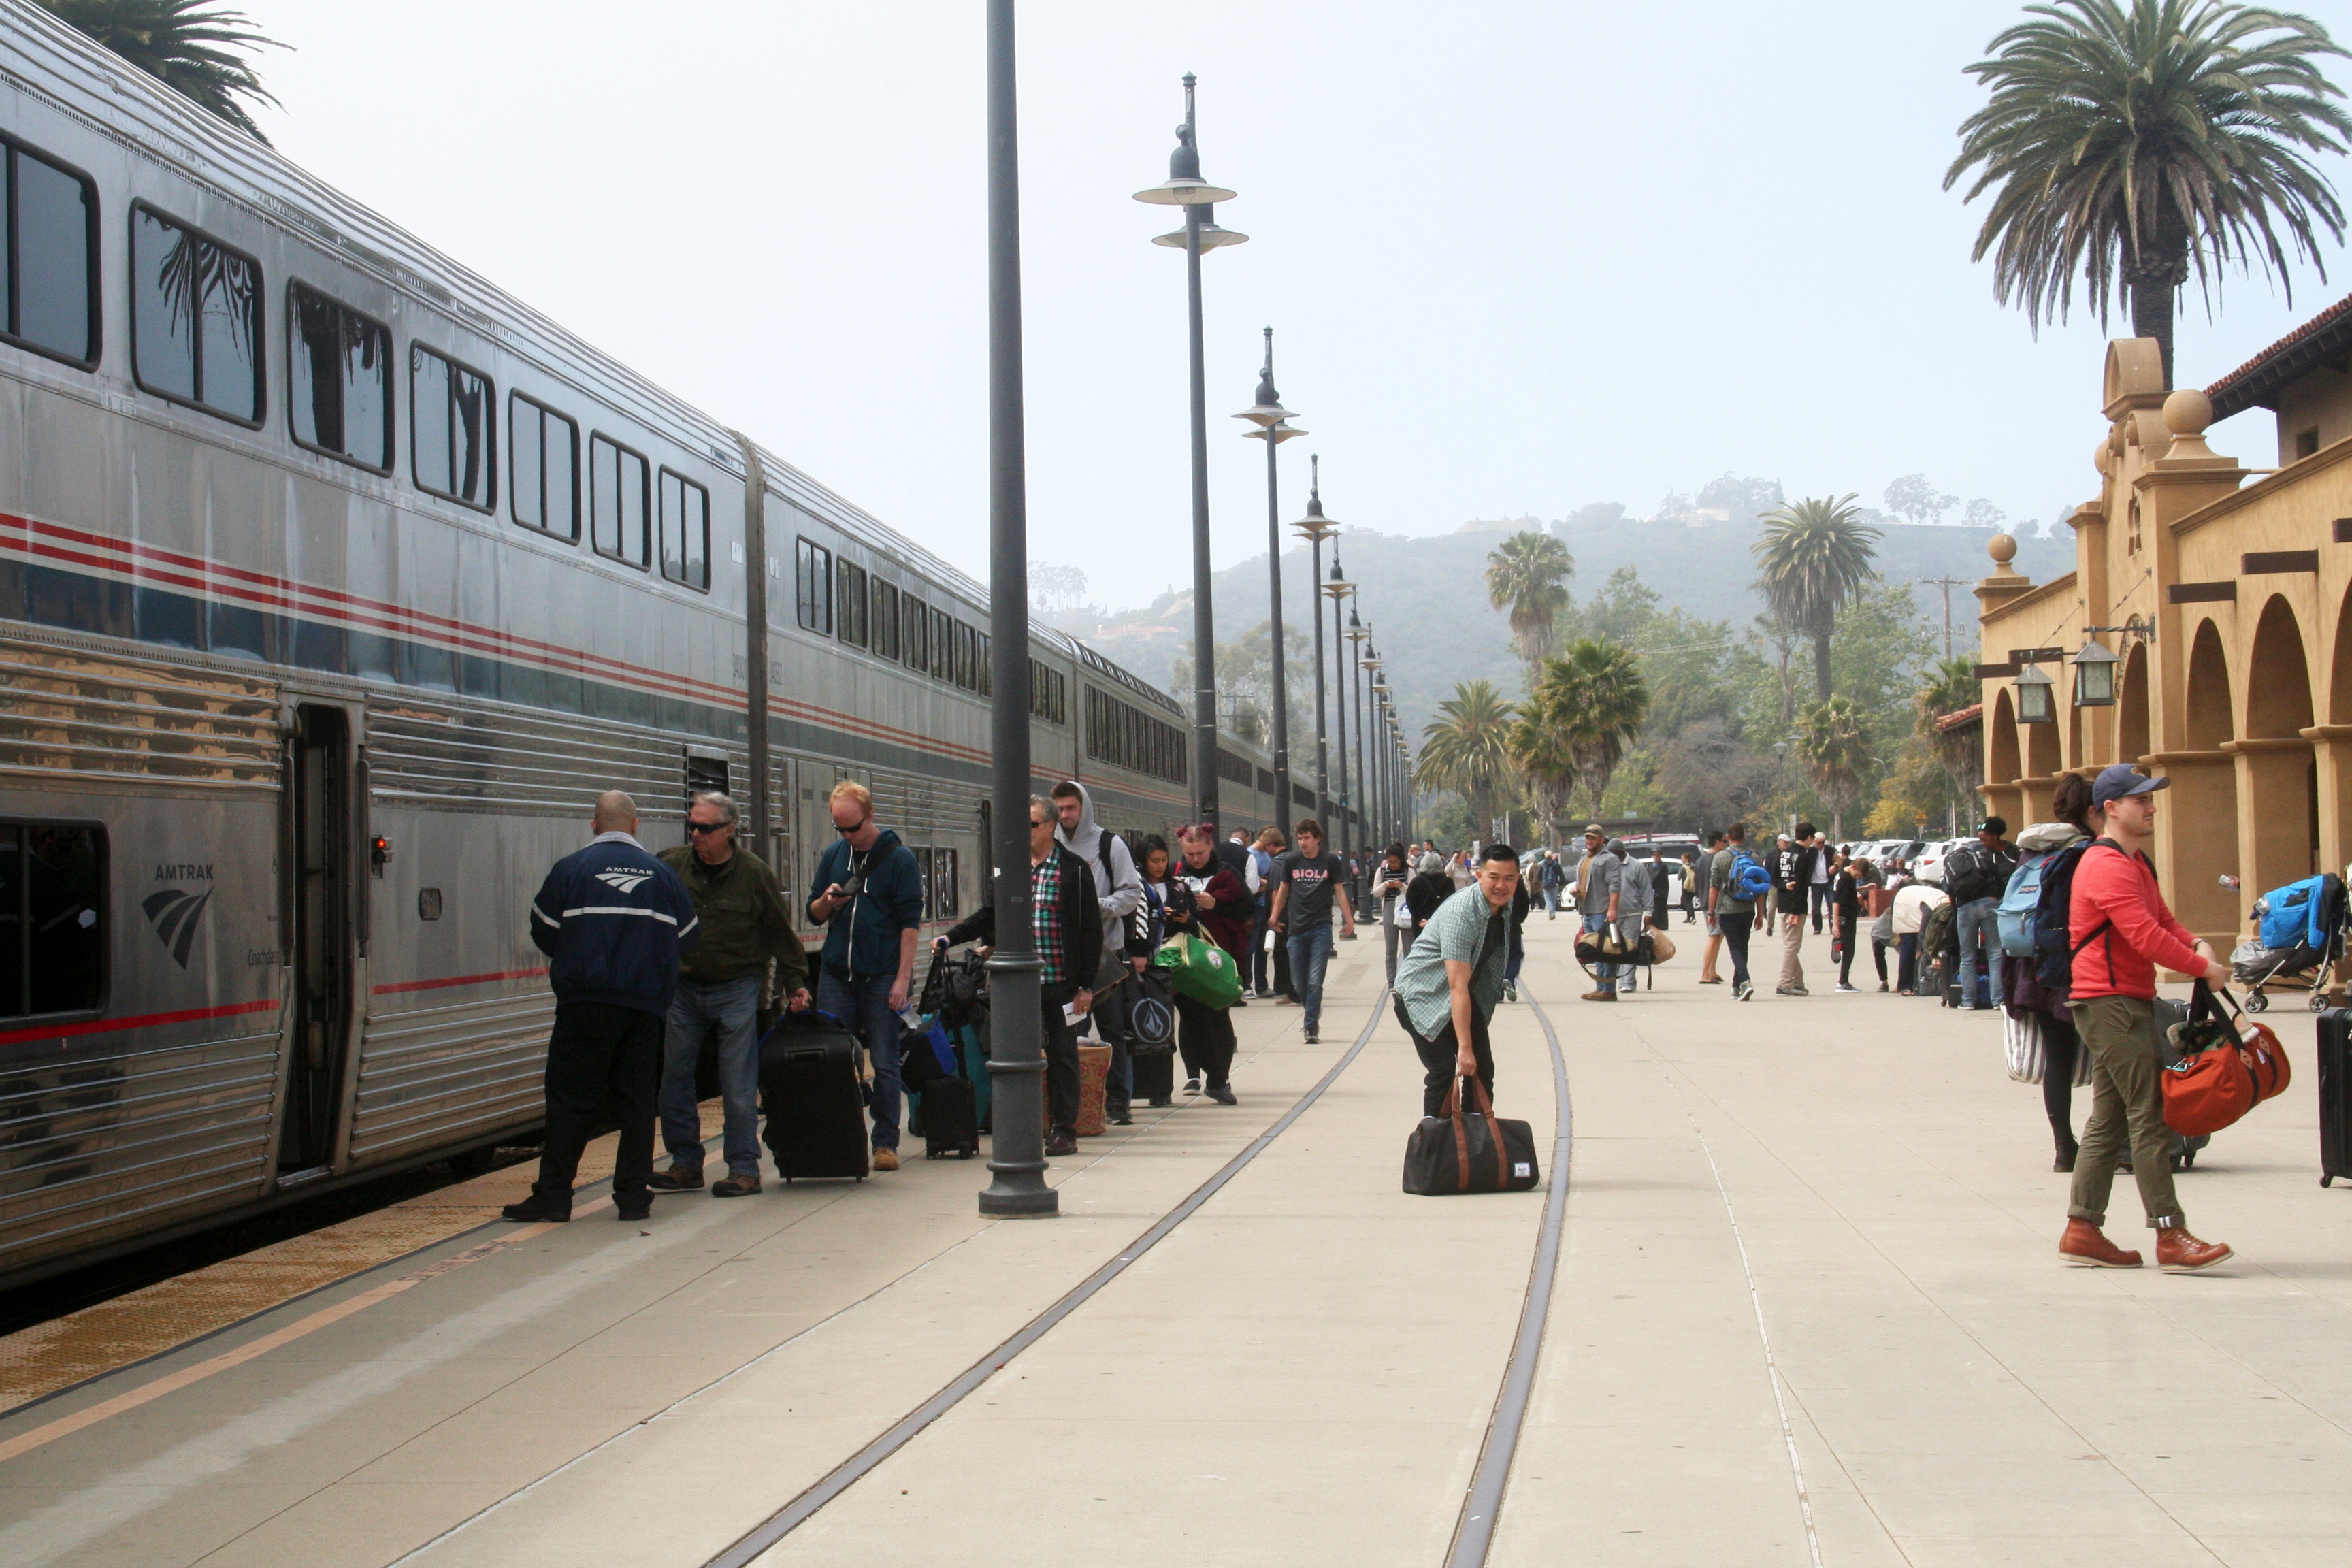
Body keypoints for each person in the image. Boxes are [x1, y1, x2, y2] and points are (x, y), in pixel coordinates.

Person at [2059, 765, 2235, 1272]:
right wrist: (2203, 967)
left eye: (2152, 799)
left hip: (2120, 998)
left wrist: (2196, 942)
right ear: (2111, 808)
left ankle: (2083, 1229)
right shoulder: (2107, 864)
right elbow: (2144, 936)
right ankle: (2169, 1233)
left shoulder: (2134, 862)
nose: (2151, 807)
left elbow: (2162, 921)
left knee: (2111, 1117)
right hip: (2109, 1001)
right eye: (2141, 800)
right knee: (2150, 1113)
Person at [506, 790, 699, 1224]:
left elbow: (543, 931)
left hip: (584, 1005)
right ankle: (632, 1198)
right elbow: (687, 936)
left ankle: (554, 1197)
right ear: (635, 826)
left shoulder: (570, 870)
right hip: (643, 1008)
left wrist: (579, 956)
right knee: (635, 1103)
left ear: (594, 825)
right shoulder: (663, 877)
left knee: (570, 1101)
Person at [649, 791, 810, 1198]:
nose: (697, 834)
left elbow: (779, 932)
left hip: (737, 985)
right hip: (684, 987)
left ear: (729, 830)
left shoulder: (755, 874)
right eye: (693, 826)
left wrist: (797, 984)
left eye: (705, 828)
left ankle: (743, 1167)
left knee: (737, 1083)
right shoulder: (671, 866)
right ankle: (686, 1163)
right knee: (674, 1080)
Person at [938, 797, 1101, 1156]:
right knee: (1014, 1055)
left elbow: (1090, 931)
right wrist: (951, 937)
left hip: (1060, 981)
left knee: (1062, 1054)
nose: (1024, 832)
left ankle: (1063, 1128)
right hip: (1016, 986)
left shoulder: (1073, 870)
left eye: (1032, 825)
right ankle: (1019, 1122)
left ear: (1051, 826)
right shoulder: (1009, 869)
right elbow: (988, 916)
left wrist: (1085, 985)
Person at [806, 780, 925, 1169]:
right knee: (836, 1057)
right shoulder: (833, 856)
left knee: (886, 1060)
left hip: (881, 976)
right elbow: (814, 913)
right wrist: (827, 900)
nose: (847, 836)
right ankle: (841, 1135)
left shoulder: (900, 860)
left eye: (853, 828)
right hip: (838, 974)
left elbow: (910, 924)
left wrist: (902, 979)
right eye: (839, 828)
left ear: (870, 815)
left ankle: (885, 1141)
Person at [2008, 777, 2097, 1171]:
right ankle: (2113, 1142)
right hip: (2079, 969)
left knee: (2058, 1059)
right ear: (2094, 809)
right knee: (2112, 1059)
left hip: (2034, 968)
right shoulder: (2090, 852)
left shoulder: (2032, 851)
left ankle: (2065, 1146)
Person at [1392, 843, 1521, 1116]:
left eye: (1509, 878)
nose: (1501, 886)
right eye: (1494, 877)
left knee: (1482, 1071)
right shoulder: (1461, 913)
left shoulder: (1504, 908)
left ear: (1518, 878)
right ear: (1478, 874)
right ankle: (1436, 1146)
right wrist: (1464, 1048)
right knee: (1443, 1071)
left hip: (1460, 996)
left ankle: (1474, 1141)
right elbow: (1457, 985)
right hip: (1421, 995)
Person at [1053, 781, 1145, 1123]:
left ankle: (1119, 1101)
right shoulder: (1052, 847)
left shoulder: (1110, 844)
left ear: (1084, 808)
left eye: (1071, 808)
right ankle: (1076, 1103)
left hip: (1107, 955)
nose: (1066, 815)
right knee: (1070, 1033)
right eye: (1060, 809)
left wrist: (1097, 907)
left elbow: (1132, 893)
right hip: (1068, 958)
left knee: (1112, 1031)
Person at [1168, 825, 1250, 1100]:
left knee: (1218, 1015)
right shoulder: (1176, 872)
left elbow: (1247, 908)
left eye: (1200, 853)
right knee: (1189, 1016)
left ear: (1210, 846)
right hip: (1184, 957)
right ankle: (1195, 1075)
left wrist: (1216, 905)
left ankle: (1219, 1077)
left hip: (1217, 955)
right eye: (1190, 854)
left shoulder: (1226, 872)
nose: (1195, 859)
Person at [1269, 819, 1356, 1045]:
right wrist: (1274, 917)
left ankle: (1310, 1027)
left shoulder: (1329, 861)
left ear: (1317, 838)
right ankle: (1313, 1011)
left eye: (1307, 838)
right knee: (1299, 984)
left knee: (1315, 981)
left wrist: (1349, 921)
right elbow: (1284, 890)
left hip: (1321, 928)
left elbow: (1339, 890)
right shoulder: (1291, 861)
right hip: (1296, 930)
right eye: (1299, 838)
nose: (1303, 843)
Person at [1943, 815, 2020, 1011]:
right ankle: (1998, 1000)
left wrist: (1956, 912)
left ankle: (1968, 1000)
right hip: (1991, 905)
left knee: (1967, 955)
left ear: (1996, 836)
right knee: (1995, 953)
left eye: (1984, 838)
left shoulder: (2011, 853)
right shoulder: (1983, 854)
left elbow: (1950, 888)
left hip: (1966, 907)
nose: (1981, 842)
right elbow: (1999, 881)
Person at [1708, 823, 1758, 1001]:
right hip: (1747, 908)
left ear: (1728, 837)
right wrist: (1761, 914)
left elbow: (1714, 887)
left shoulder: (1720, 857)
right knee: (1743, 946)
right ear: (1744, 836)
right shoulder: (1754, 857)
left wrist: (1711, 913)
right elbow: (1760, 888)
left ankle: (1745, 981)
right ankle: (1736, 986)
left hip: (1727, 909)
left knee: (1735, 947)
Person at [1574, 824, 1622, 1002]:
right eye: (1587, 838)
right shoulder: (1585, 858)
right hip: (1587, 910)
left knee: (1606, 952)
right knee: (1595, 953)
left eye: (1593, 838)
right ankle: (1600, 987)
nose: (1589, 841)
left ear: (1602, 840)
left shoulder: (1610, 859)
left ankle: (1609, 989)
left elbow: (1615, 885)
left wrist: (1612, 908)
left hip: (1601, 911)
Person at [1775, 822, 1816, 996]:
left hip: (1783, 903)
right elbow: (1801, 885)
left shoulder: (1784, 854)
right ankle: (1784, 983)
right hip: (1795, 907)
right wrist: (1795, 912)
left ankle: (1797, 981)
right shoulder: (1803, 857)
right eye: (1812, 839)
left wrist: (1784, 886)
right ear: (1809, 838)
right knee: (1792, 946)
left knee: (1790, 945)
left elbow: (1775, 879)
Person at [1891, 871, 1948, 994]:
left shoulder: (1946, 902)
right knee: (1908, 944)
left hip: (1915, 900)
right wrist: (1933, 956)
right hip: (1905, 904)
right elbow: (1923, 936)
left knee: (1923, 947)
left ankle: (1918, 984)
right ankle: (1905, 986)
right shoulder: (1930, 909)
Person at [1252, 828, 1287, 1000]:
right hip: (1285, 911)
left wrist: (1273, 916)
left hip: (1276, 912)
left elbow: (1276, 891)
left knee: (1276, 950)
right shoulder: (1290, 858)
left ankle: (1280, 987)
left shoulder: (1276, 862)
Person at [1373, 843, 1414, 983]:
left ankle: (1409, 979)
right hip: (1389, 908)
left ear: (1401, 860)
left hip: (1406, 909)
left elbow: (1414, 891)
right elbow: (1376, 892)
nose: (1393, 864)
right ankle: (1392, 980)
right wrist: (1385, 885)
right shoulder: (1382, 871)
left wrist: (1401, 886)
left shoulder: (1409, 871)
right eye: (1390, 862)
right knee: (1391, 948)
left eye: (1396, 862)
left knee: (1409, 947)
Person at [1831, 846, 1864, 994]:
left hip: (1848, 917)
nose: (1858, 878)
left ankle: (1838, 945)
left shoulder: (1843, 875)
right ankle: (1842, 982)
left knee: (1847, 945)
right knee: (1849, 948)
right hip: (1845, 918)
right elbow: (1836, 901)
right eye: (1857, 875)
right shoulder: (1845, 879)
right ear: (1853, 867)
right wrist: (1836, 924)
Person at [1697, 830, 1727, 984]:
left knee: (1718, 937)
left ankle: (1712, 970)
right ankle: (1705, 974)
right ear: (1718, 842)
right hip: (1714, 904)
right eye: (1724, 841)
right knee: (1713, 937)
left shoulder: (1700, 860)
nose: (1725, 844)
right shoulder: (1718, 859)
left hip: (1704, 901)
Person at [1405, 851, 1453, 936]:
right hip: (1441, 923)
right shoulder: (1447, 882)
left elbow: (1411, 903)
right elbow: (1450, 903)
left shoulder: (1416, 882)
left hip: (1421, 923)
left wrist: (1420, 919)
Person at [1808, 827, 1833, 934]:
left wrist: (1835, 866)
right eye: (1818, 843)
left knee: (1832, 904)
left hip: (1828, 882)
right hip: (1815, 883)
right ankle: (1817, 928)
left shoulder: (1830, 850)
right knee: (1816, 907)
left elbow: (1838, 859)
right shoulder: (1810, 851)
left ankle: (1833, 927)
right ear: (1814, 842)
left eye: (1822, 843)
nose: (1821, 845)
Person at [1536, 849, 1567, 919]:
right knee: (1553, 899)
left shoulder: (1542, 865)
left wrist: (1542, 881)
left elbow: (1539, 875)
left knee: (1548, 898)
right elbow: (1561, 874)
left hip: (1546, 884)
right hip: (1554, 884)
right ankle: (1553, 912)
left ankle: (1551, 912)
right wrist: (1563, 883)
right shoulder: (1556, 864)